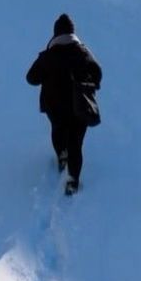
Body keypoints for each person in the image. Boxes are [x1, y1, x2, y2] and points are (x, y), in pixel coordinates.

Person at [26, 13, 102, 195]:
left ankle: (62, 156)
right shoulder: (83, 52)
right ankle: (72, 181)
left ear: (55, 34)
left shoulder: (48, 56)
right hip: (80, 105)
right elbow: (97, 72)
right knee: (76, 143)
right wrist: (91, 84)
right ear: (72, 33)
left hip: (54, 106)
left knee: (58, 131)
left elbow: (31, 78)